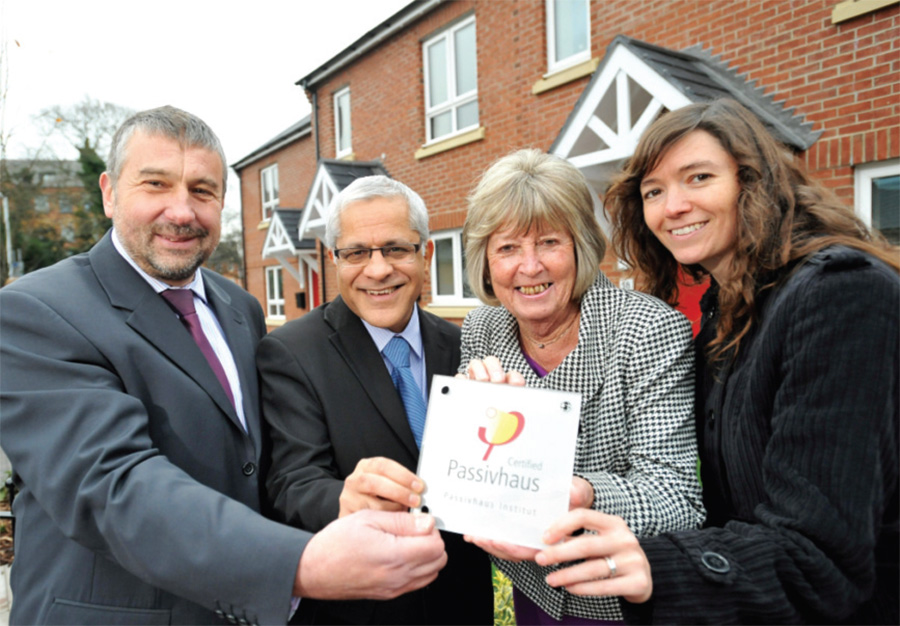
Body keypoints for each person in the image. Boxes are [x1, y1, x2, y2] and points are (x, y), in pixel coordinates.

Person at [0, 106, 448, 626]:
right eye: (156, 185)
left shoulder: (239, 308)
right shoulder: (35, 312)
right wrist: (299, 563)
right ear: (109, 192)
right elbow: (113, 485)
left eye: (202, 190)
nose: (182, 210)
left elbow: (261, 465)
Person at [533, 98, 900, 624]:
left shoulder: (841, 293)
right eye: (653, 191)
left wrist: (658, 568)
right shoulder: (725, 308)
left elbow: (821, 555)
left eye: (698, 177)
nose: (672, 206)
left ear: (752, 183)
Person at [458, 149, 706, 623]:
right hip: (532, 585)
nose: (529, 268)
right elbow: (480, 472)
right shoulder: (482, 329)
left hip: (620, 599)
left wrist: (578, 493)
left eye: (549, 242)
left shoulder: (648, 331)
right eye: (508, 248)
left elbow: (676, 499)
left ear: (582, 246)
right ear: (485, 261)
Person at [256, 175, 493, 625]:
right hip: (359, 611)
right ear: (334, 259)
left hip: (462, 603)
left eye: (396, 249)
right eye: (357, 253)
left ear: (425, 253)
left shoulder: (464, 344)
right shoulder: (291, 352)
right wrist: (344, 499)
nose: (379, 269)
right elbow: (291, 481)